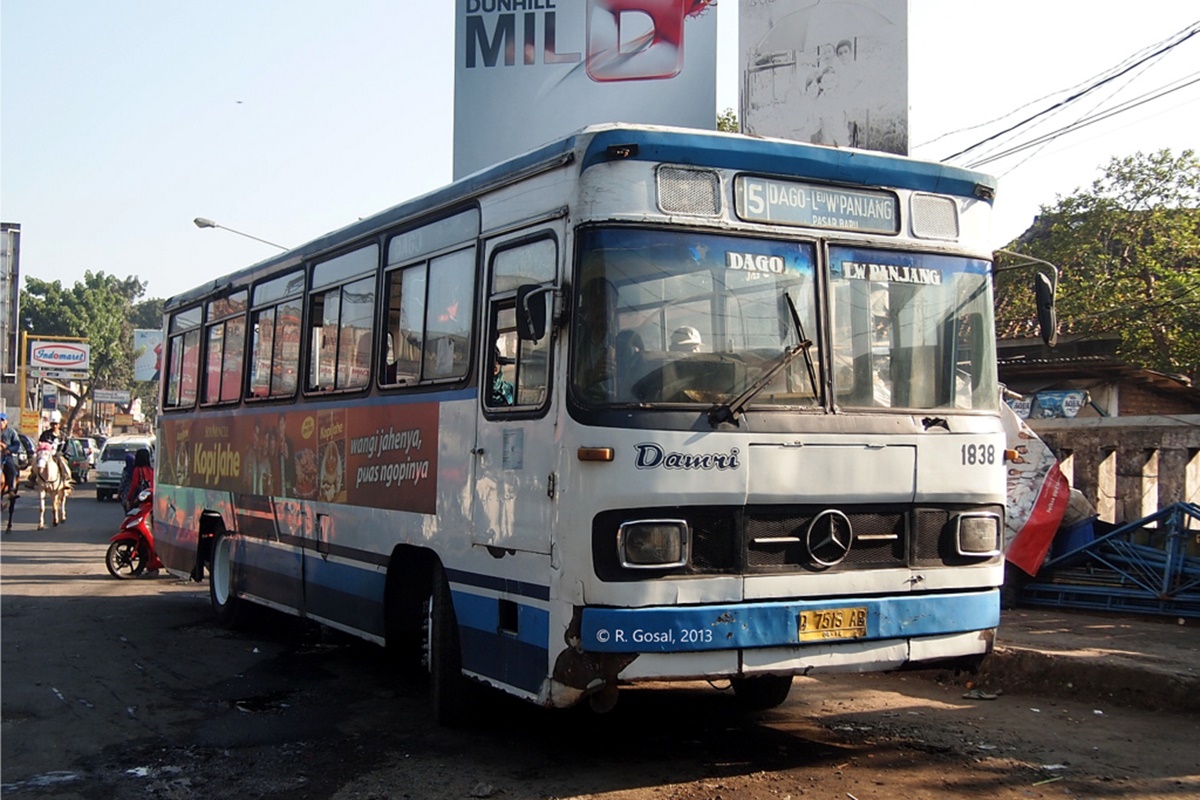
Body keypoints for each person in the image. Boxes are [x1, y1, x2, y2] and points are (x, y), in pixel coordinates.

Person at [35, 410, 72, 487]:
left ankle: (66, 479)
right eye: (52, 424)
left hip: (58, 455)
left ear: (59, 424)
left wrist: (61, 454)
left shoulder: (63, 436)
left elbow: (67, 448)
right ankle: (33, 478)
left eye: (56, 424)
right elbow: (40, 444)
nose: (54, 426)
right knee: (36, 461)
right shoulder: (45, 435)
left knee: (62, 462)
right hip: (46, 454)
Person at [0, 413, 31, 497]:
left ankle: (11, 490)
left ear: (6, 422)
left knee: (12, 470)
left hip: (6, 456)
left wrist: (8, 449)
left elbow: (16, 445)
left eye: (2, 420)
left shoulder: (11, 432)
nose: (0, 422)